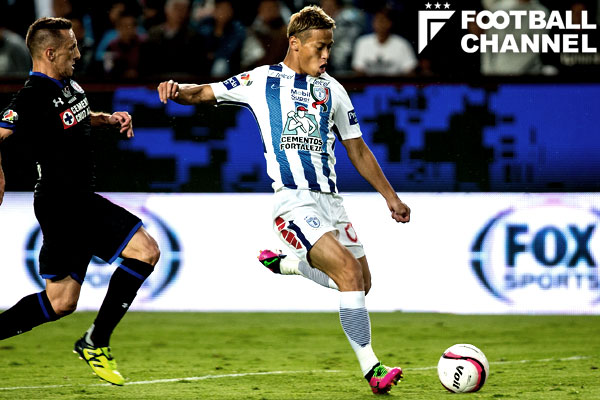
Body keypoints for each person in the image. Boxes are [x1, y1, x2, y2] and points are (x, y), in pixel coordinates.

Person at [157, 5, 410, 395]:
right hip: (293, 203)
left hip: (332, 203)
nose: (327, 55)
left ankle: (290, 265)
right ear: (295, 43)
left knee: (362, 283)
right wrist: (176, 89)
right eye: (320, 47)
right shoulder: (261, 80)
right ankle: (372, 369)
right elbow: (206, 92)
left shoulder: (333, 90)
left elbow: (357, 149)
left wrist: (390, 197)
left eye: (329, 47)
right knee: (347, 272)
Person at [0, 17, 160, 386]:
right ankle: (95, 341)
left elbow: (76, 118)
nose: (78, 54)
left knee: (60, 302)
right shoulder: (31, 96)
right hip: (64, 200)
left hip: (71, 200)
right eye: (71, 48)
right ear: (49, 52)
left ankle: (91, 340)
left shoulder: (68, 85)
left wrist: (107, 119)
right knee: (146, 251)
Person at [352, 6, 417, 76]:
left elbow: (409, 69)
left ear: (390, 23)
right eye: (377, 21)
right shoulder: (362, 42)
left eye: (383, 21)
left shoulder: (402, 44)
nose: (380, 25)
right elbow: (358, 68)